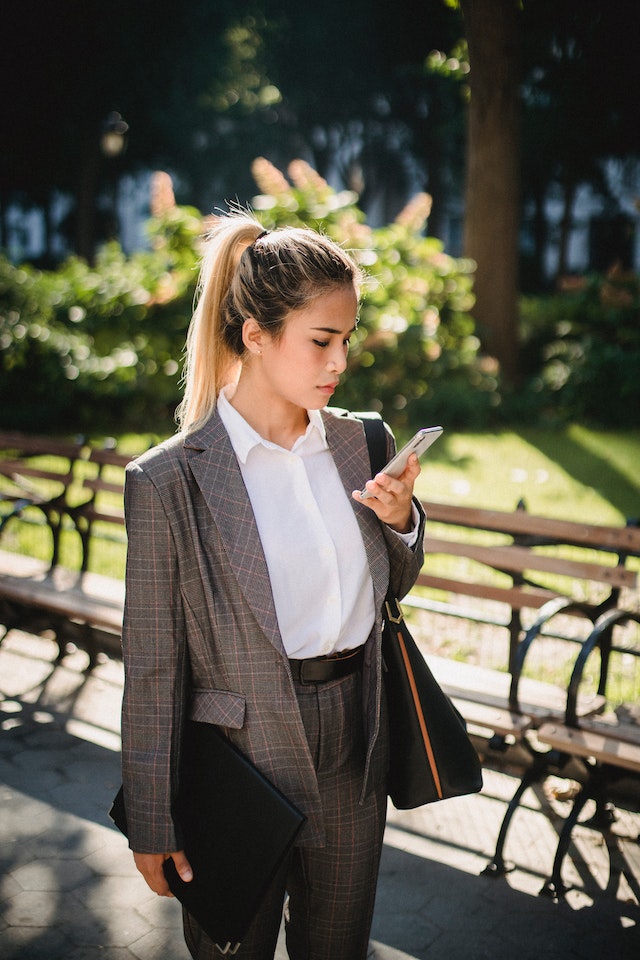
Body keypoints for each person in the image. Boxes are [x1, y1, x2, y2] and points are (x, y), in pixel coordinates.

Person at [120, 211, 425, 960]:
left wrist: (402, 522)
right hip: (237, 759)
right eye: (321, 340)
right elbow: (154, 666)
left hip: (357, 741)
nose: (339, 361)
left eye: (347, 339)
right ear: (255, 333)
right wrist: (153, 821)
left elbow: (396, 586)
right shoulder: (169, 481)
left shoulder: (362, 441)